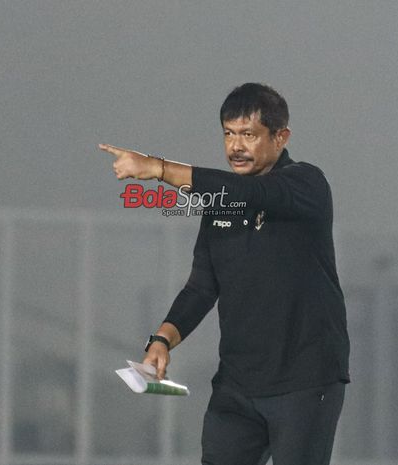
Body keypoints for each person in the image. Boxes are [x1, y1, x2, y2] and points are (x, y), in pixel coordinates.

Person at [99, 83, 350, 465]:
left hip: (304, 381)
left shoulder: (306, 184)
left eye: (248, 135)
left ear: (281, 137)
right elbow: (202, 286)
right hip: (237, 387)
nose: (236, 146)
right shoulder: (221, 207)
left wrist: (158, 169)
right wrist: (162, 339)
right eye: (229, 134)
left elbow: (251, 194)